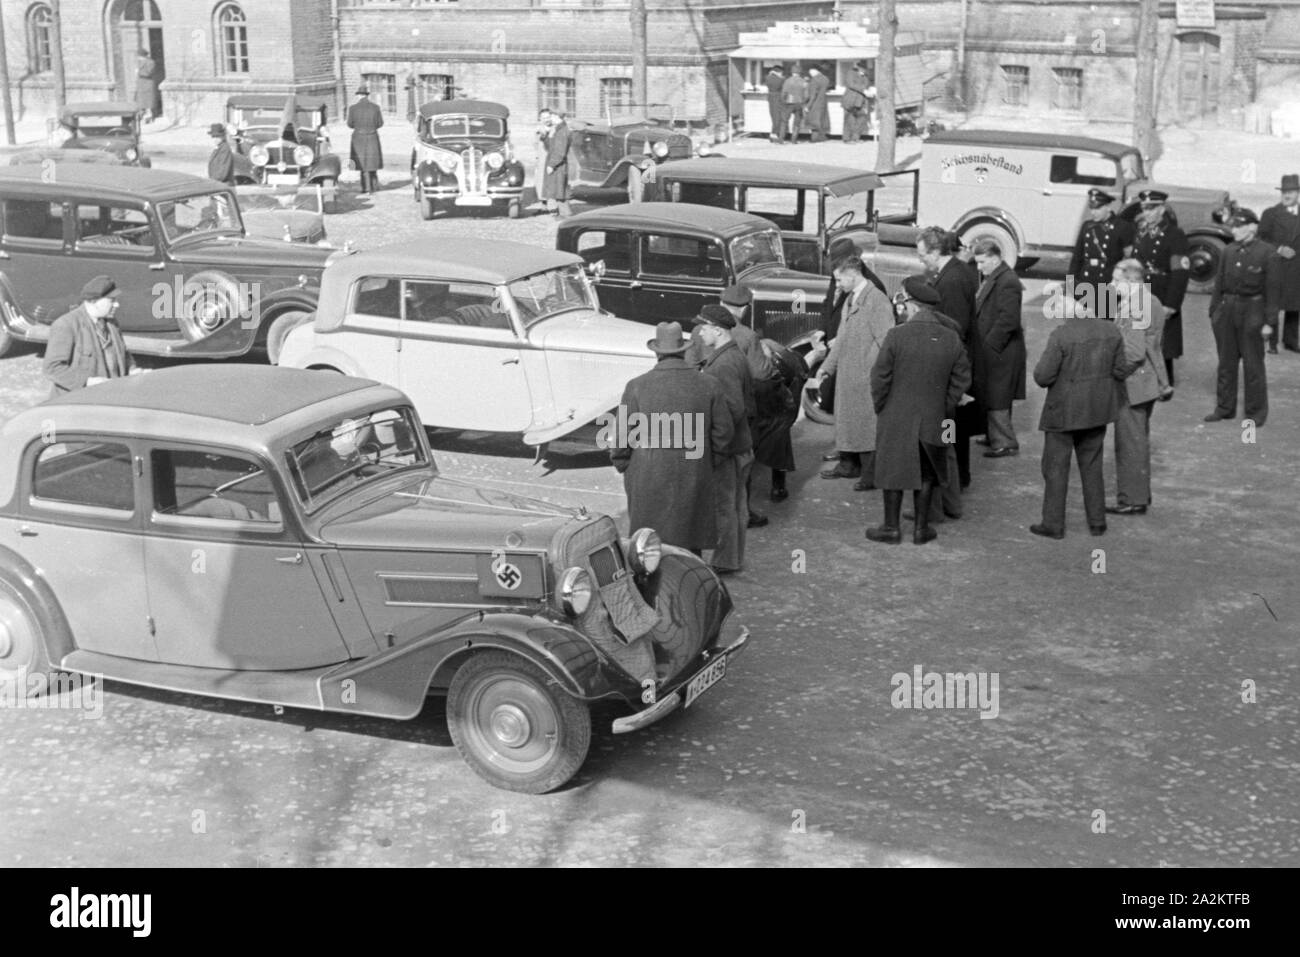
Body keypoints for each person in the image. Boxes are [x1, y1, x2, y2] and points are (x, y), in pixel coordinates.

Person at [610, 322, 732, 556]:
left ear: (656, 352)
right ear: (684, 350)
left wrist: (625, 464)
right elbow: (724, 434)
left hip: (648, 475)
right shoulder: (708, 383)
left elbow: (622, 437)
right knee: (689, 543)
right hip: (694, 471)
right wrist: (707, 462)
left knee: (648, 546)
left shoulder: (637, 386)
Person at [867, 277, 971, 545]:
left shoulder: (896, 335)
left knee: (893, 471)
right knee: (927, 472)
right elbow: (961, 379)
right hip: (934, 416)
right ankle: (921, 529)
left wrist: (883, 407)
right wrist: (943, 405)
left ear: (912, 306)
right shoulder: (951, 338)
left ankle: (891, 528)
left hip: (895, 415)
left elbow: (879, 377)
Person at [1030, 297, 1134, 540]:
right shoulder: (1111, 330)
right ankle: (1097, 522)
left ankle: (1053, 524)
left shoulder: (1061, 335)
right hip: (1097, 411)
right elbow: (1120, 370)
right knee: (1092, 466)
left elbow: (1042, 376)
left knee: (1055, 468)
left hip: (1063, 413)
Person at [819, 254, 895, 491]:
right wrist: (827, 367)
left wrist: (881, 377)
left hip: (866, 376)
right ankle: (849, 465)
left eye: (840, 280)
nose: (838, 285)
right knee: (849, 422)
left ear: (852, 275)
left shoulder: (877, 301)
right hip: (848, 375)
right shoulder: (851, 298)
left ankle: (871, 474)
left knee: (867, 426)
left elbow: (887, 343)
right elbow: (841, 338)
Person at [1205, 207, 1279, 427]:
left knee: (1253, 365)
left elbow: (1273, 291)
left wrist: (1269, 322)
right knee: (1226, 363)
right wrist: (1214, 311)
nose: (1234, 230)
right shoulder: (1228, 251)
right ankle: (1224, 408)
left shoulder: (1268, 253)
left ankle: (1255, 413)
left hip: (1253, 311)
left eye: (1238, 226)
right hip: (1227, 310)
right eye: (1233, 226)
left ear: (1252, 228)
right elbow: (1219, 284)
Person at [918, 226, 980, 491]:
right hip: (960, 365)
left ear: (934, 251)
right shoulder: (958, 271)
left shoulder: (951, 280)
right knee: (955, 428)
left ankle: (953, 479)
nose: (921, 260)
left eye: (923, 254)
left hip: (952, 368)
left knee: (949, 426)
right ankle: (958, 475)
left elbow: (954, 327)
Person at [694, 305, 754, 574]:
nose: (700, 332)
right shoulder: (733, 355)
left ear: (717, 330)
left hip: (729, 450)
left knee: (725, 507)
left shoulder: (723, 364)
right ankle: (730, 559)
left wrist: (717, 450)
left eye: (704, 327)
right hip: (741, 445)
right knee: (736, 505)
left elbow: (732, 410)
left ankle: (724, 562)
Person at [1107, 258, 1167, 517]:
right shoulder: (1150, 300)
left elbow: (1132, 352)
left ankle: (1131, 498)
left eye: (1115, 280)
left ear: (1131, 281)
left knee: (1130, 442)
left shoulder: (1135, 306)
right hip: (1148, 380)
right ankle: (1139, 494)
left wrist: (1114, 374)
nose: (1111, 284)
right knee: (1138, 439)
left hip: (1133, 384)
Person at [971, 238, 1026, 457]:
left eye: (982, 262)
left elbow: (1008, 320)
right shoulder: (998, 276)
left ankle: (1005, 441)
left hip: (1000, 351)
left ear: (995, 259)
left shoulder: (1007, 281)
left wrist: (988, 347)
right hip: (997, 350)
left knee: (998, 396)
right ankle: (993, 435)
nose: (978, 267)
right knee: (993, 394)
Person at [1131, 189, 1190, 387]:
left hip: (1163, 292)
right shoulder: (1141, 231)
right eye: (1144, 209)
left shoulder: (1174, 235)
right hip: (1143, 290)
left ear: (1162, 209)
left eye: (1152, 209)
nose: (1147, 213)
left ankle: (1164, 382)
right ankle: (1144, 380)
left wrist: (1172, 304)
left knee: (1163, 342)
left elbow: (1180, 272)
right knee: (1141, 336)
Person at [44, 276, 140, 397]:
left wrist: (132, 369)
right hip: (77, 401)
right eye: (111, 300)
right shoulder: (66, 325)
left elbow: (125, 354)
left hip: (109, 395)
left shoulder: (112, 323)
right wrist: (88, 382)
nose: (117, 304)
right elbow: (52, 368)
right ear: (94, 301)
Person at [1067, 188, 1135, 318]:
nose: (1093, 213)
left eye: (1097, 209)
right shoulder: (1087, 226)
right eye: (1091, 208)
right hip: (1085, 284)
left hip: (1108, 285)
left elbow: (1130, 260)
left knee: (1104, 328)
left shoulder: (1123, 227)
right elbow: (1077, 258)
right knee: (1083, 328)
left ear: (1108, 207)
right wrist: (1070, 288)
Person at [1258, 173, 1300, 354]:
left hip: (1297, 267)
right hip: (1276, 265)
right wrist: (1279, 249)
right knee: (1273, 303)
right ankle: (1272, 342)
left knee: (1295, 305)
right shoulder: (1270, 214)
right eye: (1284, 191)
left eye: (1291, 191)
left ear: (1298, 193)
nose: (1287, 195)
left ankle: (1291, 341)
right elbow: (1261, 239)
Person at [347, 84, 385, 194]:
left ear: (359, 96)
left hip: (358, 138)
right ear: (366, 96)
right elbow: (380, 123)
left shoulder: (353, 108)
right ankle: (373, 186)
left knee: (361, 163)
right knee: (372, 162)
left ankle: (365, 187)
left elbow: (350, 124)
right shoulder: (375, 107)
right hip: (372, 136)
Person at [544, 112, 574, 218]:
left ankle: (566, 214)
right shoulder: (558, 129)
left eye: (551, 116)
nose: (550, 119)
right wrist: (548, 136)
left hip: (558, 165)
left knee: (559, 190)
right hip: (558, 164)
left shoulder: (562, 131)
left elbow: (560, 151)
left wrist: (552, 165)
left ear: (557, 117)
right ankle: (564, 213)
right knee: (558, 189)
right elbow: (550, 147)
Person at [841, 62, 870, 144]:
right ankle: (847, 139)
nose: (864, 70)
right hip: (850, 100)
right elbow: (851, 84)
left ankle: (855, 137)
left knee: (861, 119)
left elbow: (866, 85)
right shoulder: (850, 73)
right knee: (849, 120)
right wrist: (863, 89)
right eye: (863, 68)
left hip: (860, 101)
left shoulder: (865, 76)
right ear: (858, 67)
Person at [780, 67, 807, 143]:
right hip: (799, 103)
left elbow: (784, 93)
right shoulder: (804, 82)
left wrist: (783, 101)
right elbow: (807, 95)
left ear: (792, 72)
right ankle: (794, 139)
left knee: (784, 121)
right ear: (799, 73)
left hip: (789, 102)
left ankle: (781, 139)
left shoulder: (787, 81)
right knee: (797, 122)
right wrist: (803, 102)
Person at [534, 108, 554, 208]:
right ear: (540, 119)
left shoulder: (555, 128)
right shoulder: (539, 129)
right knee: (541, 179)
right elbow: (537, 141)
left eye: (548, 117)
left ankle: (554, 204)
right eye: (544, 118)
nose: (546, 119)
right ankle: (543, 204)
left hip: (553, 157)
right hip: (542, 157)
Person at [804, 67, 830, 143]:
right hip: (823, 102)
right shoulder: (825, 78)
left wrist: (808, 106)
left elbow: (813, 95)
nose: (810, 74)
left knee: (814, 121)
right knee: (821, 120)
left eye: (811, 72)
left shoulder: (814, 80)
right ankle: (822, 137)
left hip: (815, 103)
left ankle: (814, 139)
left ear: (815, 71)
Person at [763, 65, 787, 144]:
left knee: (774, 116)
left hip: (770, 98)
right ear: (779, 72)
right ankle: (774, 135)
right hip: (777, 98)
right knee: (777, 117)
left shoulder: (768, 77)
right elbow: (782, 83)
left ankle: (773, 135)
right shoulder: (780, 79)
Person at [135, 48, 157, 122]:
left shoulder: (151, 62)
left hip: (148, 84)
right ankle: (144, 117)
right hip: (141, 84)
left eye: (139, 56)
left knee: (148, 102)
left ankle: (150, 117)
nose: (138, 58)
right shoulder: (140, 62)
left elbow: (149, 73)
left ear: (142, 55)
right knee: (143, 102)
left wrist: (138, 72)